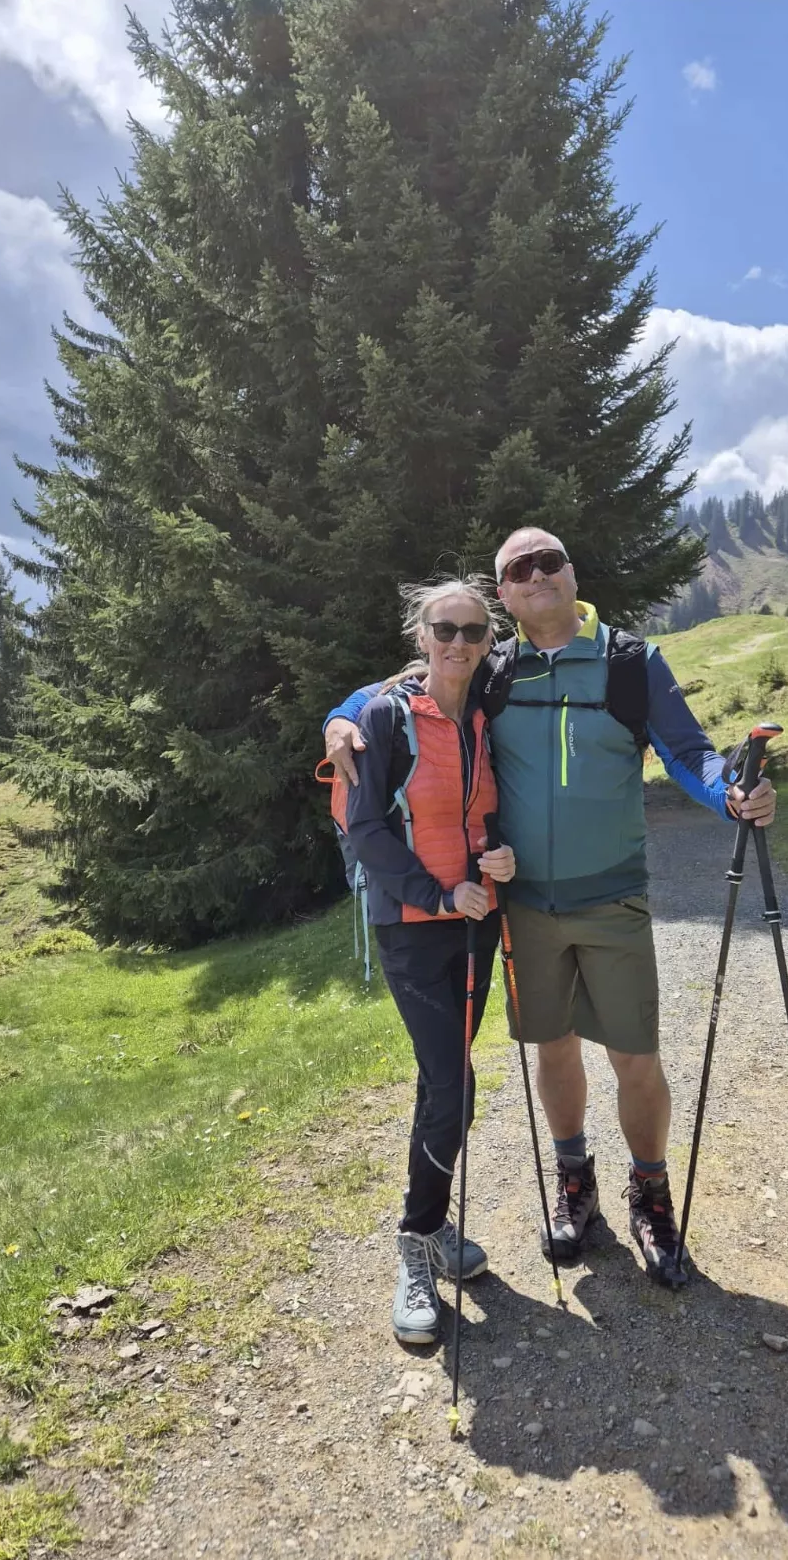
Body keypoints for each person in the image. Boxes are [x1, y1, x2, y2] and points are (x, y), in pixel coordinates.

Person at [324, 528, 776, 1289]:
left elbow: (686, 751)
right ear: (503, 595)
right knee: (553, 1048)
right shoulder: (491, 665)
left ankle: (651, 1194)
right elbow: (395, 691)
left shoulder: (633, 663)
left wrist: (728, 793)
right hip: (523, 905)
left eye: (549, 562)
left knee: (635, 1055)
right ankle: (575, 1187)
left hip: (613, 892)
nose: (536, 574)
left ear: (571, 573)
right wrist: (338, 717)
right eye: (517, 568)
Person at [341, 576, 515, 1345]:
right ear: (421, 636)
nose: (457, 643)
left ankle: (433, 1227)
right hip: (414, 927)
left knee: (443, 1082)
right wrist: (440, 895)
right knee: (452, 1084)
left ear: (487, 641)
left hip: (475, 923)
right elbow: (364, 831)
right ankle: (415, 1244)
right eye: (443, 629)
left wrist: (502, 855)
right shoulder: (381, 718)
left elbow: (492, 811)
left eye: (472, 632)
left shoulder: (485, 715)